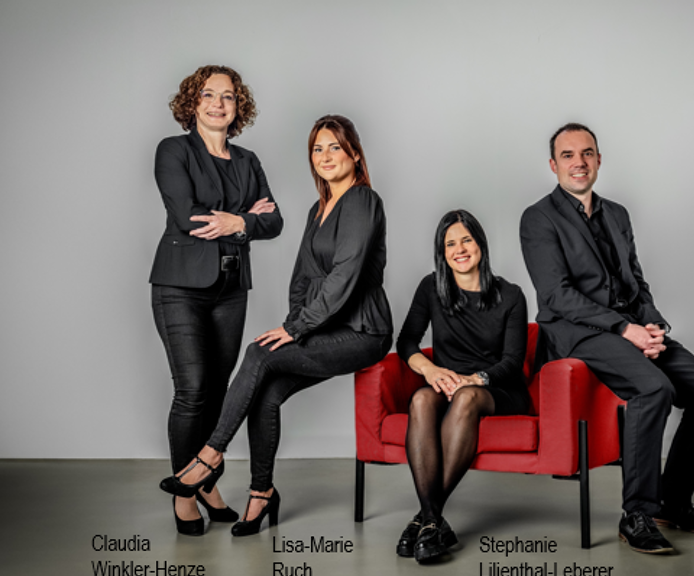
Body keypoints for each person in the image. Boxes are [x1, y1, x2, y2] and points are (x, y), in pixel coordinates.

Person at [159, 114, 393, 537]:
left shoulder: (362, 201)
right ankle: (261, 492)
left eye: (335, 147)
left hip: (363, 331)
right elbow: (302, 277)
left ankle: (210, 455)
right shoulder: (318, 209)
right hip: (323, 328)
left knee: (257, 353)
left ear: (355, 155)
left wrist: (297, 329)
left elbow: (344, 276)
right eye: (317, 149)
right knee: (265, 394)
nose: (325, 156)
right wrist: (293, 324)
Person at [519, 123, 694, 555]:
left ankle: (672, 503)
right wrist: (623, 328)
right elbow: (556, 294)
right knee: (653, 389)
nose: (579, 162)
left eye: (587, 153)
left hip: (631, 327)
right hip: (576, 334)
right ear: (553, 165)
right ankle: (636, 514)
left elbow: (636, 281)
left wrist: (653, 327)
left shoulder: (617, 214)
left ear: (599, 159)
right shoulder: (538, 217)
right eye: (567, 155)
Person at [150, 65, 283, 536]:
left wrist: (238, 221)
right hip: (180, 287)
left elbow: (275, 221)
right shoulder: (174, 150)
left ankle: (206, 481)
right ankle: (185, 495)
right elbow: (188, 217)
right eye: (208, 94)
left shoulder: (248, 160)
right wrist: (245, 218)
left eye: (228, 96)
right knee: (192, 389)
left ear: (237, 106)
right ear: (193, 102)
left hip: (231, 289)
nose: (218, 103)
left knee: (218, 389)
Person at [396, 210, 530, 564]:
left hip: (498, 389)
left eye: (466, 240)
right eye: (450, 244)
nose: (460, 249)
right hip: (448, 384)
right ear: (442, 252)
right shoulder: (431, 287)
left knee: (467, 397)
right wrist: (430, 371)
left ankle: (425, 518)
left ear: (480, 244)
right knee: (421, 399)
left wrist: (476, 378)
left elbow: (513, 361)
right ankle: (432, 522)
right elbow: (407, 341)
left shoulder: (511, 295)